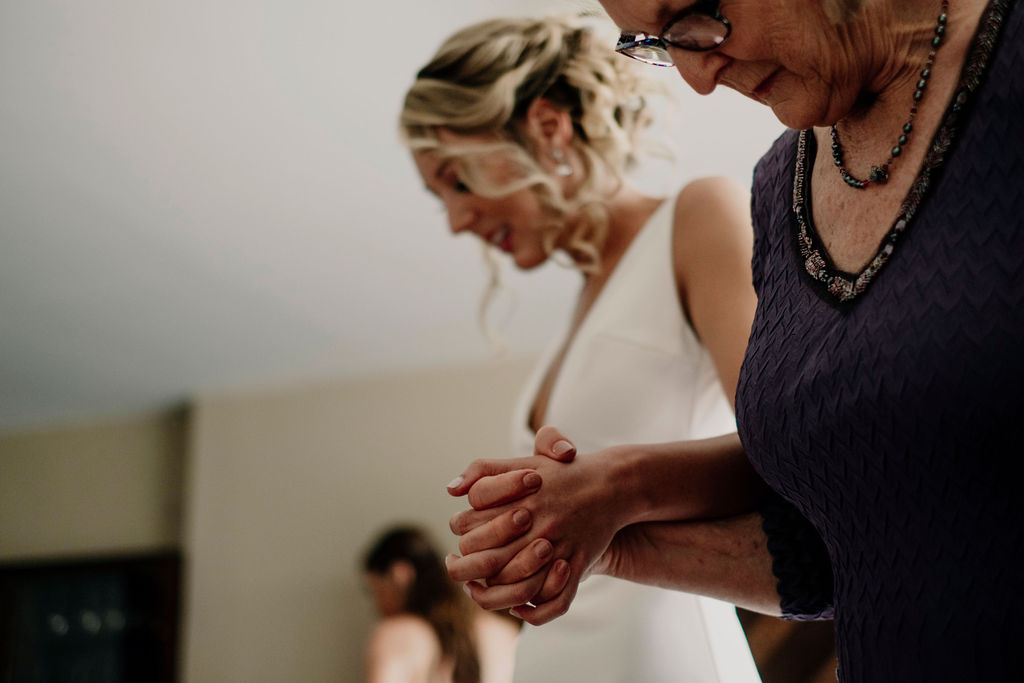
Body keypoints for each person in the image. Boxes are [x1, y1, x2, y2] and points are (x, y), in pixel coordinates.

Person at [443, 1, 1024, 681]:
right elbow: (842, 547)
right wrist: (608, 542)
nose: (696, 76)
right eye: (658, 43)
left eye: (694, 13)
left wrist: (626, 482)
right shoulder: (779, 191)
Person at [401, 15, 762, 683]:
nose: (456, 221)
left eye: (457, 180)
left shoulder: (699, 216)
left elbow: (789, 452)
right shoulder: (579, 312)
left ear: (546, 126)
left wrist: (617, 485)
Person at [362, 525, 519, 683]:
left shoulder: (397, 634)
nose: (376, 606)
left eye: (376, 591)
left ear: (400, 575)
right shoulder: (503, 631)